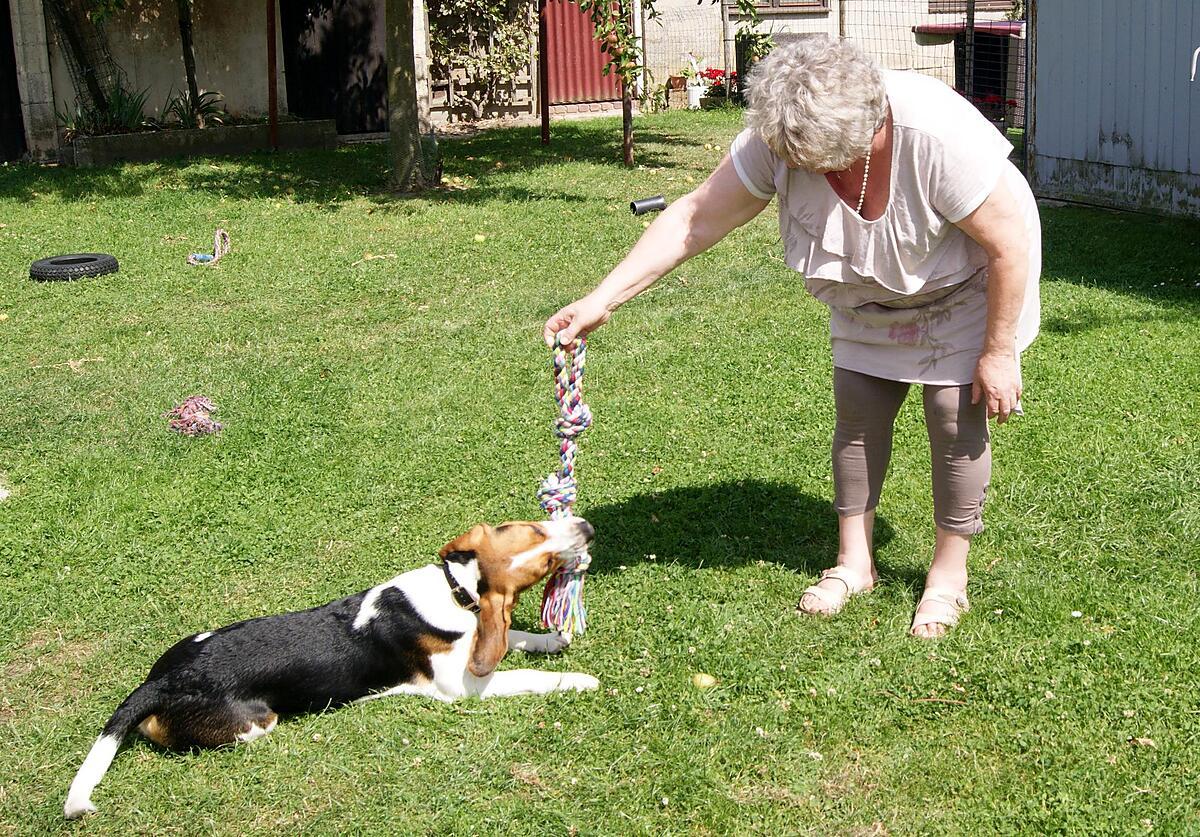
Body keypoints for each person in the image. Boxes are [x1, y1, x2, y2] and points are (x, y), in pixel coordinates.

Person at [542, 36, 1040, 638]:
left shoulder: (935, 136)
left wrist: (997, 350)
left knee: (953, 413)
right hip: (865, 282)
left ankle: (947, 576)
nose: (815, 175)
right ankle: (854, 563)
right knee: (859, 413)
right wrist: (602, 299)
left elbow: (1008, 244)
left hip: (966, 282)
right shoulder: (779, 134)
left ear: (874, 121)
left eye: (829, 161)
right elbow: (695, 218)